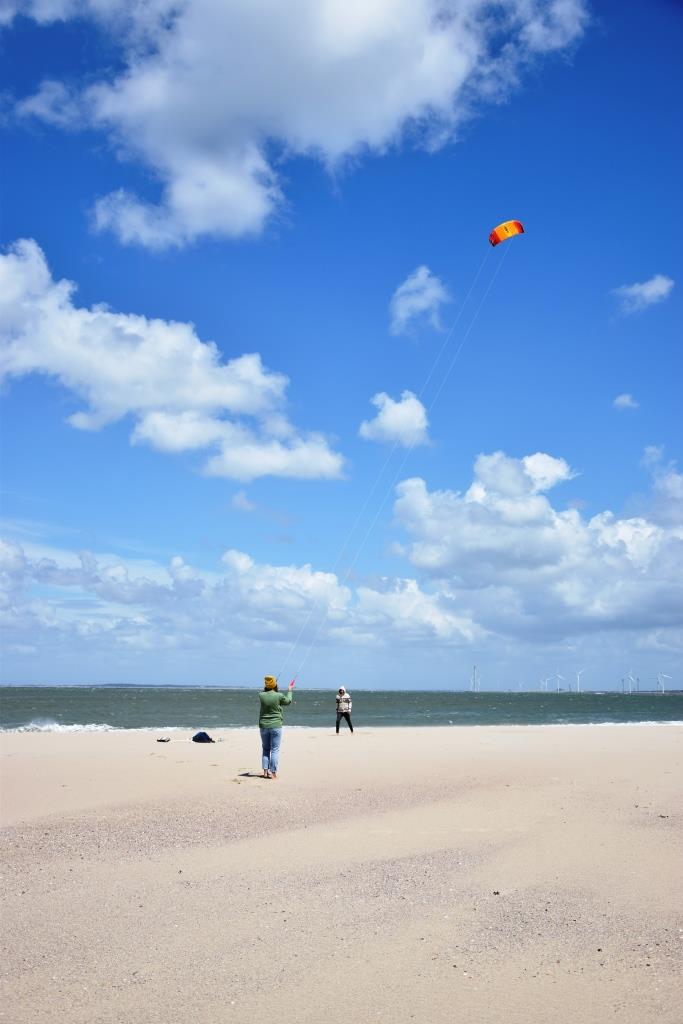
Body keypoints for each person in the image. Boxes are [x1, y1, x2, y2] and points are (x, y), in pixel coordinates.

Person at [258, 675, 294, 779]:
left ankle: (265, 772)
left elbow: (265, 692)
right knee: (274, 750)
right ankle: (273, 773)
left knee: (265, 749)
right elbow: (288, 701)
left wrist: (271, 686)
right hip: (276, 725)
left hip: (263, 725)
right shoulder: (279, 695)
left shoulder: (261, 695)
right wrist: (290, 690)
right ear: (274, 684)